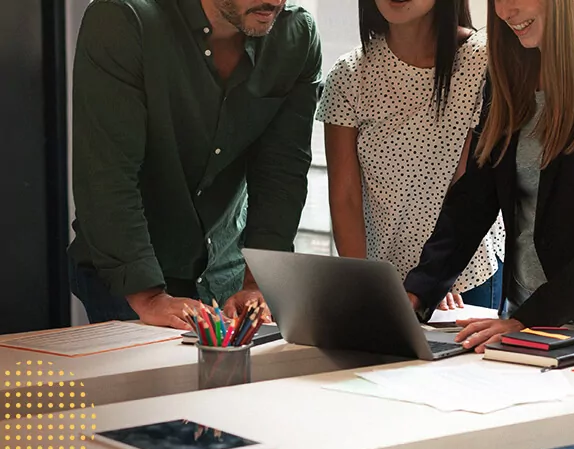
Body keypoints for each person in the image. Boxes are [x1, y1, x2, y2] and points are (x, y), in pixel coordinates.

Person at [404, 0, 574, 449]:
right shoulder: (511, 75)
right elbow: (474, 200)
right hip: (532, 316)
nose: (506, 10)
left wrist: (527, 317)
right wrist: (416, 292)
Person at [69, 0, 322, 329]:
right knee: (155, 382)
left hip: (226, 271)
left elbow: (282, 174)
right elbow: (106, 176)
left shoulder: (294, 35)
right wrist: (149, 298)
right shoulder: (122, 19)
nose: (275, 0)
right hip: (129, 271)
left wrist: (258, 282)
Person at [316, 0, 505, 311]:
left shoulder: (483, 59)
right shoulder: (349, 74)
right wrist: (365, 283)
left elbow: (469, 186)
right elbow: (346, 197)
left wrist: (434, 279)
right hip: (384, 279)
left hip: (464, 278)